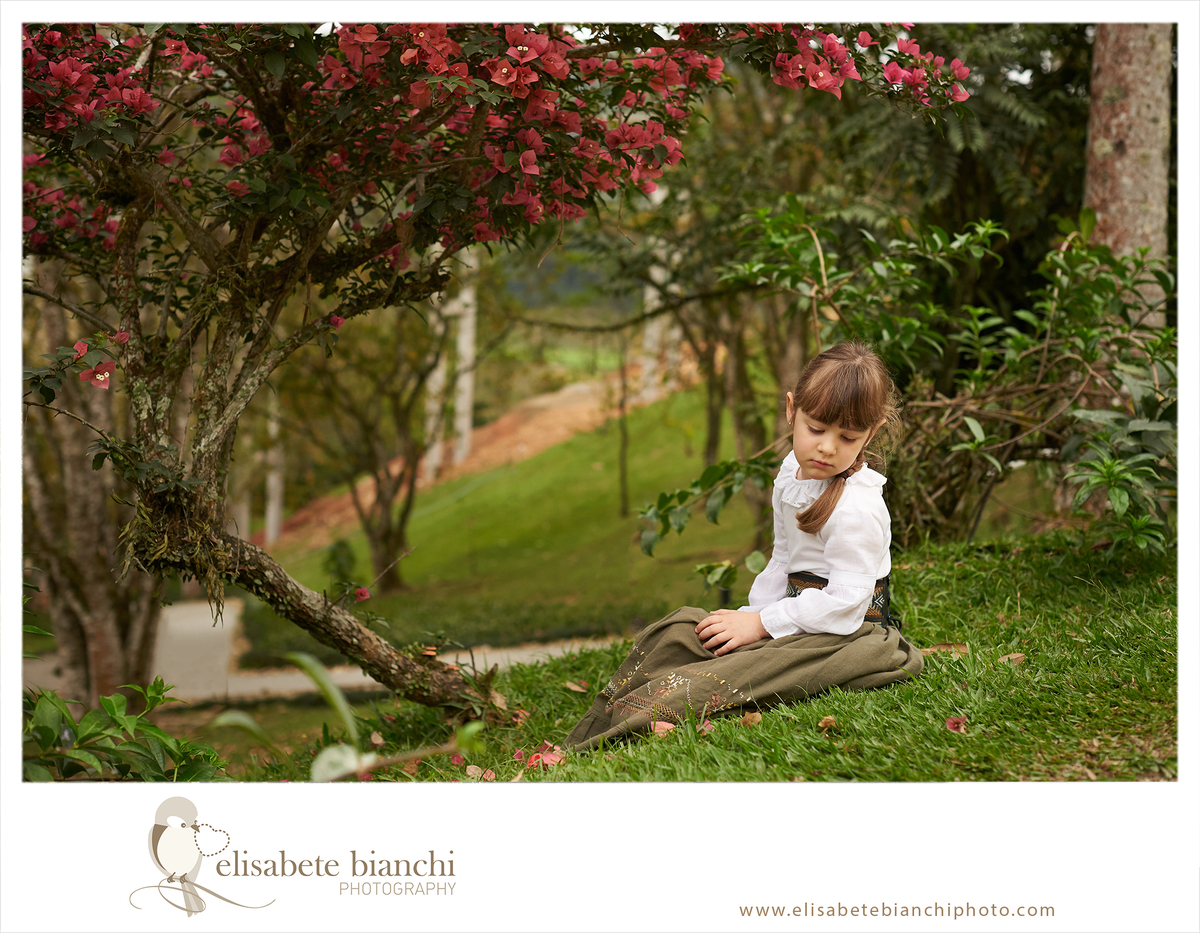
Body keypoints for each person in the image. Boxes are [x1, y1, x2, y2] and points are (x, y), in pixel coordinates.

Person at [566, 341, 924, 751]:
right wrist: (750, 617)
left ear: (870, 434)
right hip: (796, 618)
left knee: (714, 681)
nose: (827, 446)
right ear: (792, 410)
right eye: (816, 429)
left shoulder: (856, 508)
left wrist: (761, 626)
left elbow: (845, 603)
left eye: (847, 436)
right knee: (679, 633)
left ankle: (620, 734)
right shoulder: (793, 473)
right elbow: (784, 559)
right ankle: (595, 724)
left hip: (846, 634)